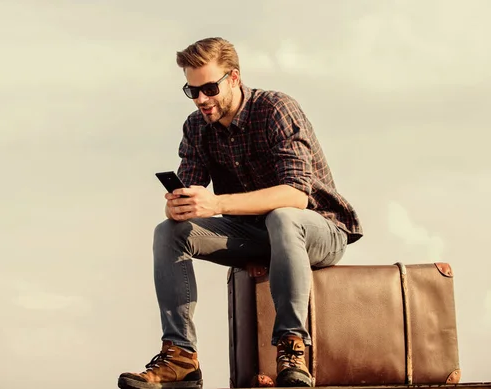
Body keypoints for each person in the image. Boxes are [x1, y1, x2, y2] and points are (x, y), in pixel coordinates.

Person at [117, 37, 363, 389]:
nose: (202, 99)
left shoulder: (277, 109)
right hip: (254, 234)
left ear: (234, 78)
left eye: (210, 88)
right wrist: (178, 205)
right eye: (192, 90)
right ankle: (181, 358)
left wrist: (216, 203)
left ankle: (292, 348)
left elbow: (296, 195)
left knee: (283, 217)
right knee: (167, 233)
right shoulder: (196, 127)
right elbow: (190, 191)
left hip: (318, 229)